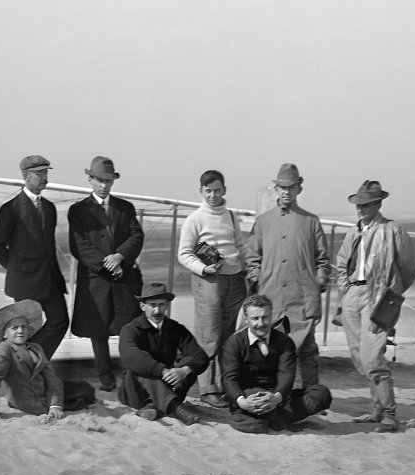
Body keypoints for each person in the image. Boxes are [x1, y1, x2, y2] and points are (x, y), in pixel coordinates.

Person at [334, 180, 415, 433]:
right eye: (358, 204)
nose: (360, 209)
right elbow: (340, 262)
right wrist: (346, 287)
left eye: (366, 204)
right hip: (353, 295)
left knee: (373, 356)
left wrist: (391, 294)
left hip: (377, 295)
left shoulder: (393, 230)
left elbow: (407, 269)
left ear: (378, 204)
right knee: (359, 355)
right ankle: (377, 409)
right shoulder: (354, 231)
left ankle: (390, 414)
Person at [244, 163, 330, 387]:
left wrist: (318, 283)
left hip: (302, 298)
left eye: (291, 187)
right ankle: (273, 394)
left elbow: (323, 260)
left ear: (299, 188)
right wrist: (257, 278)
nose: (286, 192)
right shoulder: (263, 222)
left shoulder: (311, 222)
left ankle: (312, 395)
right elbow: (252, 256)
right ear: (276, 189)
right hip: (271, 298)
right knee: (270, 351)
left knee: (308, 351)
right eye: (282, 187)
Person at [68, 156, 145, 392]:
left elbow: (136, 236)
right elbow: (78, 245)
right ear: (90, 180)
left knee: (127, 328)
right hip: (96, 279)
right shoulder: (78, 210)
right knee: (98, 330)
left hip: (123, 277)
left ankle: (129, 376)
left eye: (108, 180)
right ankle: (105, 379)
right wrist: (106, 263)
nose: (104, 185)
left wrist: (120, 256)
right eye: (100, 180)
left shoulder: (125, 208)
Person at [176, 169, 247, 409]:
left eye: (217, 190)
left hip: (234, 281)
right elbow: (184, 253)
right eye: (208, 191)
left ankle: (224, 384)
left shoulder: (232, 216)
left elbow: (239, 245)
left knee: (228, 336)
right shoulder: (195, 218)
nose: (213, 195)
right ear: (201, 192)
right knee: (209, 336)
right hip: (208, 282)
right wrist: (203, 269)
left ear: (225, 190)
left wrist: (244, 267)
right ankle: (206, 389)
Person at [0, 155, 69, 359]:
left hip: (50, 279)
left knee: (60, 321)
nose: (45, 178)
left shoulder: (49, 208)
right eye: (39, 173)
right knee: (25, 329)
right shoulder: (11, 209)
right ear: (25, 176)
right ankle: (27, 364)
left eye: (46, 173)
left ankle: (33, 360)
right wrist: (17, 267)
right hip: (25, 282)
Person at [221, 295, 332, 433]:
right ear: (246, 319)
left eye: (265, 317)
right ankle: (267, 418)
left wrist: (276, 398)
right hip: (249, 396)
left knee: (321, 393)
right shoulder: (234, 343)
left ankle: (264, 419)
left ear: (271, 316)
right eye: (255, 318)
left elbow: (286, 375)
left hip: (277, 397)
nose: (261, 323)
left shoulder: (284, 342)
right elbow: (229, 378)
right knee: (255, 401)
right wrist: (243, 402)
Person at [0, 300, 95, 420]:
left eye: (24, 327)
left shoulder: (36, 348)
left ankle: (58, 401)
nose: (20, 331)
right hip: (26, 400)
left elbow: (51, 378)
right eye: (14, 328)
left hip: (44, 390)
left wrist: (55, 404)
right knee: (81, 398)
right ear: (5, 334)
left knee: (84, 387)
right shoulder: (5, 350)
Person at [117, 282, 208, 425]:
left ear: (167, 306)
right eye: (152, 305)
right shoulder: (130, 329)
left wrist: (184, 370)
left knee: (190, 363)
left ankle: (154, 409)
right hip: (135, 393)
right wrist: (162, 371)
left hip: (168, 387)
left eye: (161, 305)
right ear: (142, 306)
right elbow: (130, 357)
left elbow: (201, 356)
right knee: (140, 364)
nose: (157, 310)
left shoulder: (176, 329)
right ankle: (175, 408)